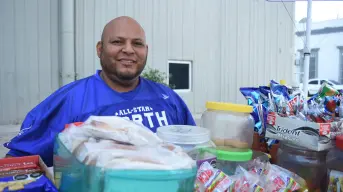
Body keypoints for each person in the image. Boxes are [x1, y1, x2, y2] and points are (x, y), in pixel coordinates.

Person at [4, 16, 196, 167]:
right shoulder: (72, 99)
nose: (128, 50)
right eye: (117, 42)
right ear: (99, 49)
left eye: (137, 43)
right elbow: (19, 162)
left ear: (146, 50)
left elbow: (195, 152)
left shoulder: (167, 98)